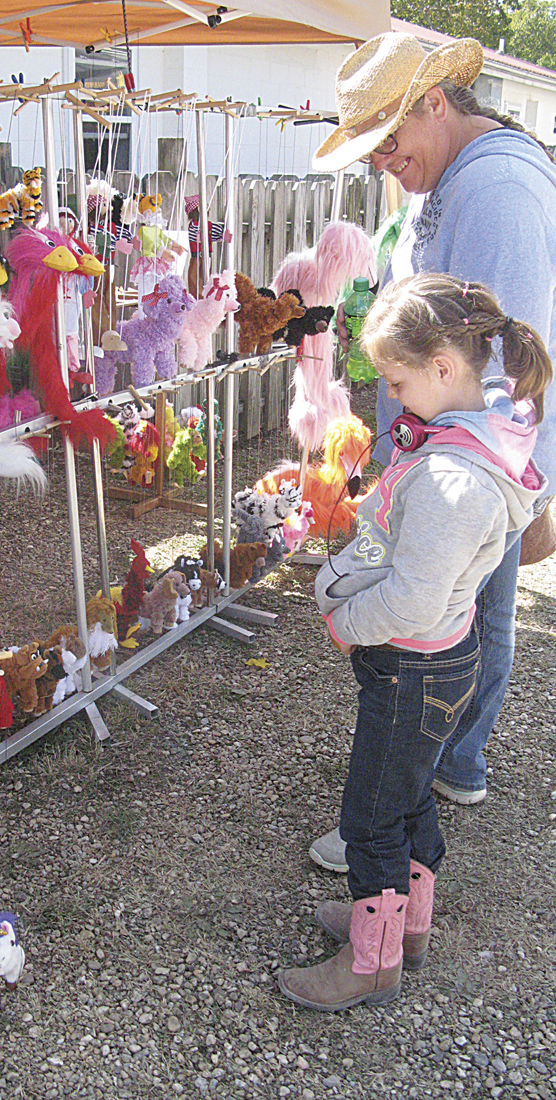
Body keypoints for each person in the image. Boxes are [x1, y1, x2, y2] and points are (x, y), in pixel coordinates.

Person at [307, 31, 556, 874]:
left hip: (463, 472)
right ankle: (437, 769)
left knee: (449, 619)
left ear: (432, 104)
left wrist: (455, 476)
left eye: (386, 140)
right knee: (458, 609)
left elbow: (504, 358)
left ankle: (416, 777)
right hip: (444, 458)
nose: (383, 162)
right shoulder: (452, 177)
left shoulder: (498, 191)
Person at [279, 272, 550, 1011]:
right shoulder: (478, 442)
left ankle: (370, 962)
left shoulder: (449, 481)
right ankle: (407, 925)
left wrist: (345, 627)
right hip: (439, 662)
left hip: (409, 666)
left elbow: (411, 596)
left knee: (370, 815)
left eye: (398, 381)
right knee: (408, 798)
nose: (394, 397)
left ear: (442, 367)